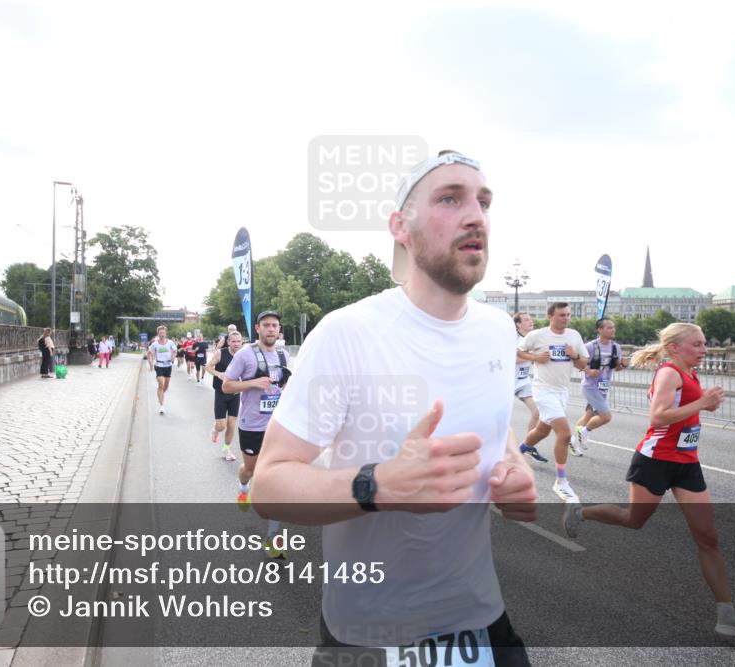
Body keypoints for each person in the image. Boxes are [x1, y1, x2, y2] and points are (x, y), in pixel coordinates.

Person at [252, 150, 537, 665]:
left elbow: (497, 431)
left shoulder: (498, 330)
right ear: (400, 227)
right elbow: (268, 486)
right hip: (369, 638)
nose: (476, 215)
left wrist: (512, 470)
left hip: (483, 626)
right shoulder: (348, 333)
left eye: (484, 202)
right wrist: (376, 484)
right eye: (450, 198)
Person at [562, 323, 735, 639]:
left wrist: (702, 403)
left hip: (686, 462)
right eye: (697, 344)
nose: (704, 350)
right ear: (675, 347)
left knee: (708, 537)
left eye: (704, 344)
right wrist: (702, 403)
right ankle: (580, 513)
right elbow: (658, 416)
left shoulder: (689, 372)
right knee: (633, 520)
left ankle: (726, 614)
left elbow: (682, 412)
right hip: (655, 460)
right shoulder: (669, 373)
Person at [222, 310, 291, 557]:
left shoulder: (284, 353)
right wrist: (252, 383)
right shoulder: (245, 354)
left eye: (275, 325)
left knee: (274, 478)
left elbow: (287, 383)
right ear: (258, 328)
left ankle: (273, 536)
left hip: (279, 426)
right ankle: (243, 488)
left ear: (279, 330)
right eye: (266, 325)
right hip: (252, 425)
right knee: (250, 470)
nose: (271, 329)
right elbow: (226, 384)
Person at [516, 302, 590, 502]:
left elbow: (584, 364)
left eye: (568, 315)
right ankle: (561, 481)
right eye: (561, 315)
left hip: (562, 391)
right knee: (564, 433)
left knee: (542, 431)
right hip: (543, 390)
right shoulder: (538, 335)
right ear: (550, 317)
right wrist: (535, 357)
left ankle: (516, 454)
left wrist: (573, 355)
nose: (565, 318)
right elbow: (516, 352)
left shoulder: (574, 336)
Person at [571, 318, 627, 455]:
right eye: (608, 327)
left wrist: (624, 365)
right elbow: (578, 363)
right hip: (590, 386)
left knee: (588, 416)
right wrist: (589, 371)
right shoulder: (590, 346)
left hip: (604, 386)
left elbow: (616, 368)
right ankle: (584, 431)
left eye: (613, 327)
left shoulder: (616, 347)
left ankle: (571, 441)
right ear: (599, 330)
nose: (612, 330)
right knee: (606, 416)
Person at [207, 330, 243, 461]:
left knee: (232, 424)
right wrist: (219, 374)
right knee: (222, 426)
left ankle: (227, 449)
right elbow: (208, 367)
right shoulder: (220, 353)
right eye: (233, 341)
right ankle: (216, 429)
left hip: (235, 393)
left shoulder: (243, 355)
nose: (236, 344)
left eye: (239, 341)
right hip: (221, 393)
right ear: (228, 342)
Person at [512, 312, 540, 433]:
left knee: (537, 411)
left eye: (530, 319)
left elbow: (535, 359)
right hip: (508, 382)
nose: (531, 321)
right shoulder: (513, 338)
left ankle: (528, 445)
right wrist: (533, 357)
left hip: (523, 382)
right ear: (518, 324)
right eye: (526, 320)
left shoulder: (532, 339)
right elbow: (514, 359)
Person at [147, 326, 177, 415]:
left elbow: (175, 351)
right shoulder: (155, 344)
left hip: (168, 365)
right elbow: (148, 354)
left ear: (166, 333)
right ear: (158, 334)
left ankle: (160, 395)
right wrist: (151, 364)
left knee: (166, 385)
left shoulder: (170, 342)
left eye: (163, 333)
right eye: (160, 333)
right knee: (161, 384)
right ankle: (162, 406)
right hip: (159, 365)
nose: (162, 334)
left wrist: (173, 356)